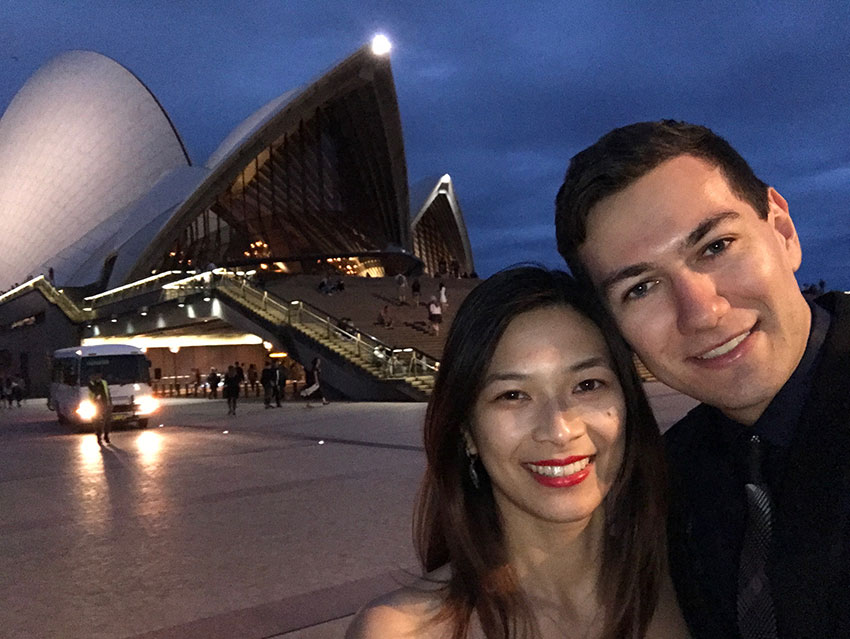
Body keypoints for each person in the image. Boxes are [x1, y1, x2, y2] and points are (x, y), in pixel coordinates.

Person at [555, 120, 850, 637]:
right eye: (642, 288)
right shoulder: (665, 484)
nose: (701, 313)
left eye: (716, 246)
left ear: (782, 231)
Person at [348, 267, 687, 638]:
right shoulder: (402, 631)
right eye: (512, 395)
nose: (559, 429)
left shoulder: (695, 584)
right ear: (467, 431)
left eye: (588, 385)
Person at [88, 370, 111, 445]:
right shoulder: (91, 383)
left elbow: (107, 392)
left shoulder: (104, 382)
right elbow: (95, 391)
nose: (98, 376)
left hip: (105, 404)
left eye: (99, 375)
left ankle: (106, 437)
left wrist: (110, 403)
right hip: (95, 405)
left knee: (107, 422)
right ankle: (99, 437)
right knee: (98, 423)